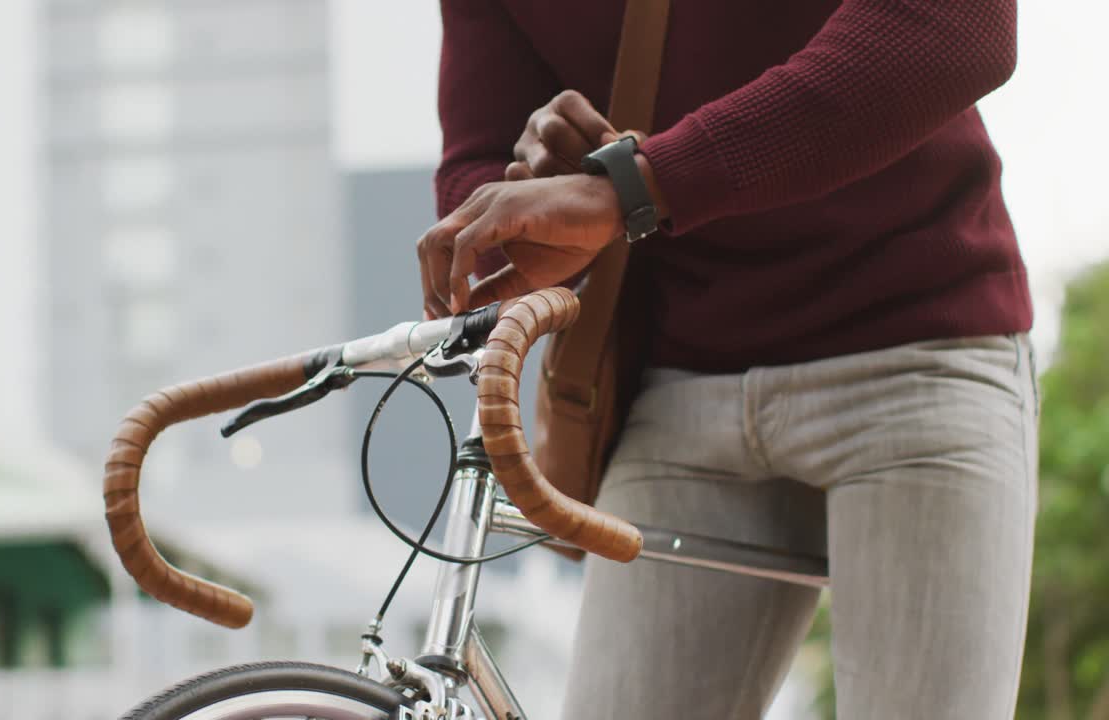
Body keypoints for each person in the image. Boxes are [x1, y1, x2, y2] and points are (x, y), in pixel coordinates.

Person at [416, 1, 1037, 718]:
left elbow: (958, 30)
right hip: (682, 384)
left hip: (914, 350)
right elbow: (475, 185)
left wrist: (636, 185)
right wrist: (538, 187)